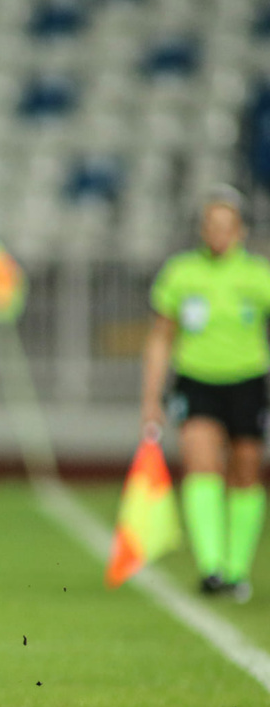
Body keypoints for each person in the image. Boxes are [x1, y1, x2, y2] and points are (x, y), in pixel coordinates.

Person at [142, 189, 270, 601]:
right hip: (197, 381)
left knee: (246, 470)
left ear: (241, 231)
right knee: (201, 465)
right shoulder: (181, 273)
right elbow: (161, 338)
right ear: (202, 230)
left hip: (247, 381)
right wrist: (151, 397)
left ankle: (237, 569)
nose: (219, 233)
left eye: (226, 226)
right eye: (212, 225)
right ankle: (212, 568)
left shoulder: (258, 275)